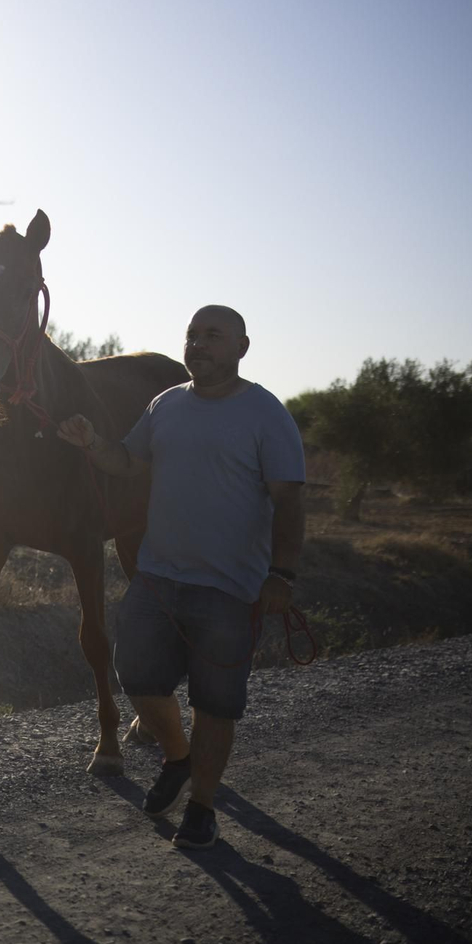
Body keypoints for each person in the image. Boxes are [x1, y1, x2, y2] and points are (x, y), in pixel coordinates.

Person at [56, 304, 305, 850]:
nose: (199, 345)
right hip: (158, 576)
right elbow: (127, 461)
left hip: (231, 587)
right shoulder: (166, 404)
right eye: (192, 335)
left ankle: (202, 806)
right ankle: (177, 757)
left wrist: (281, 574)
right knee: (136, 676)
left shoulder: (266, 414)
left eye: (213, 336)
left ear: (241, 347)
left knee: (214, 704)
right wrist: (92, 442)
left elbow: (289, 501)